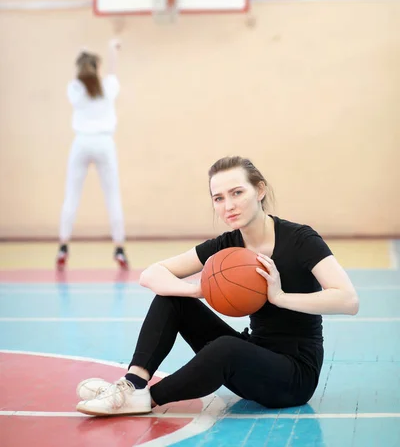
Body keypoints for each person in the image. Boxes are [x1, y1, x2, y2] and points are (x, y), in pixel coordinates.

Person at [75, 156, 359, 415]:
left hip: (294, 375)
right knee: (172, 298)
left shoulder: (300, 239)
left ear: (259, 191)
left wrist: (280, 296)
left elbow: (348, 300)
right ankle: (132, 384)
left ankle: (144, 400)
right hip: (254, 356)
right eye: (219, 198)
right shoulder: (227, 244)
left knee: (226, 348)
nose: (229, 206)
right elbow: (150, 274)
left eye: (237, 193)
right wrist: (196, 290)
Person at [56, 39, 128, 270]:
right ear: (97, 68)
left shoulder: (74, 89)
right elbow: (113, 69)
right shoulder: (107, 87)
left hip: (81, 143)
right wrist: (111, 49)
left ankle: (63, 246)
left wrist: (83, 52)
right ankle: (119, 248)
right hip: (104, 143)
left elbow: (83, 70)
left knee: (71, 196)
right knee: (113, 197)